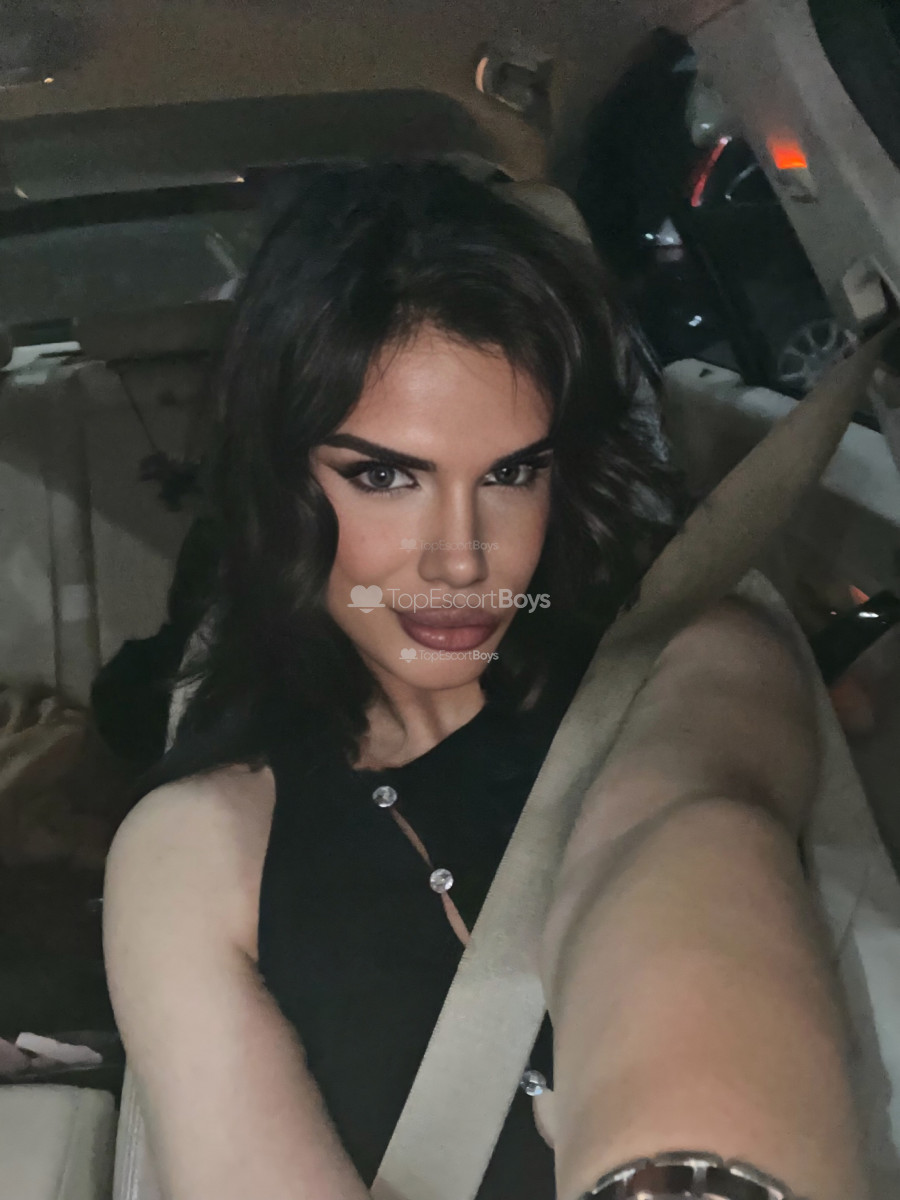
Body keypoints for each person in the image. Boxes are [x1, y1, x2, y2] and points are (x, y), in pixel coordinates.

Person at [102, 160, 869, 1200]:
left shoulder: (689, 658)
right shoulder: (194, 849)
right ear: (281, 483)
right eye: (384, 475)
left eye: (511, 473)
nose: (461, 558)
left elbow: (685, 828)